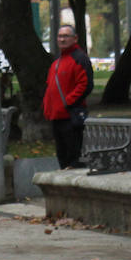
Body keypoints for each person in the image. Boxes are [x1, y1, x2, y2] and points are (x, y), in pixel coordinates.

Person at [43, 24, 94, 169]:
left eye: (66, 36)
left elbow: (85, 85)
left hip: (71, 115)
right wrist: (48, 108)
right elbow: (50, 87)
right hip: (57, 116)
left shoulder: (79, 58)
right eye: (60, 36)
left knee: (74, 157)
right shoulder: (57, 61)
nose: (62, 39)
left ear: (75, 38)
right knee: (62, 155)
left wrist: (68, 102)